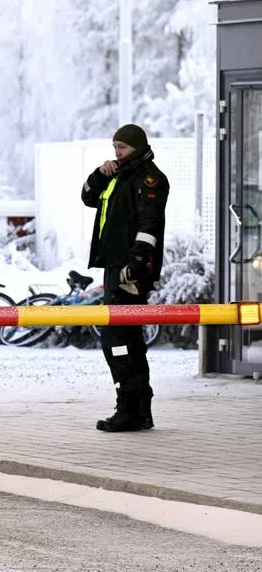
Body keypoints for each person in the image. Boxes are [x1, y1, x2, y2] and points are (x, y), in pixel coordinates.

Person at [81, 123, 169, 433]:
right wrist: (99, 175)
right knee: (125, 338)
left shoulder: (149, 178)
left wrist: (135, 263)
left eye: (122, 148)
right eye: (114, 147)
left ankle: (131, 407)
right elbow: (89, 198)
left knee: (118, 338)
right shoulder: (117, 175)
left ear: (138, 147)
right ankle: (136, 408)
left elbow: (150, 223)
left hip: (130, 270)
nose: (116, 153)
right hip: (114, 267)